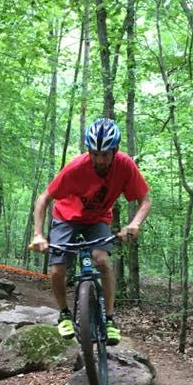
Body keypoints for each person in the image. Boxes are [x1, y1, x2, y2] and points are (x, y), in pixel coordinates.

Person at [29, 117, 150, 345]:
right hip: (66, 217)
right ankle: (64, 313)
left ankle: (110, 319)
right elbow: (44, 198)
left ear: (115, 150)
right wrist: (38, 234)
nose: (99, 160)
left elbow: (145, 200)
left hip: (98, 219)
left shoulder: (125, 166)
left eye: (105, 154)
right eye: (94, 153)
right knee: (57, 269)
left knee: (102, 261)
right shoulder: (76, 168)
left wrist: (135, 224)